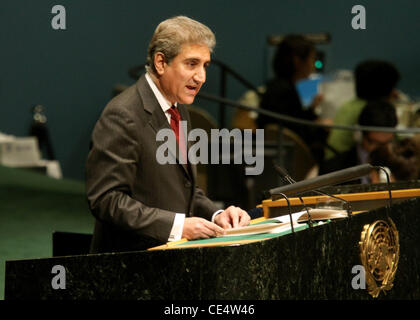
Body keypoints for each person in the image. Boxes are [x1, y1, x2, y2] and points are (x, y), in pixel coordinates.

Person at [85, 16, 250, 253]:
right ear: (161, 62)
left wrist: (218, 214)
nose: (201, 77)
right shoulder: (122, 115)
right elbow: (106, 200)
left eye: (205, 65)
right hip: (129, 265)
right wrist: (177, 226)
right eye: (191, 64)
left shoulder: (178, 108)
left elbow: (184, 188)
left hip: (172, 262)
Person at [257, 34, 326, 164]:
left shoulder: (278, 87)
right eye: (311, 60)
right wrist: (319, 125)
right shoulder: (284, 91)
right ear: (297, 61)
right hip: (290, 159)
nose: (313, 66)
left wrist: (311, 109)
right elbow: (297, 132)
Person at [326, 60, 400, 159]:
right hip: (346, 163)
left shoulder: (350, 105)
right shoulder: (370, 111)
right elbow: (394, 139)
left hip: (333, 158)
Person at [319, 100, 398, 183]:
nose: (381, 149)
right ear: (359, 135)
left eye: (387, 143)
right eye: (374, 143)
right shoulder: (333, 170)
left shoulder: (399, 166)